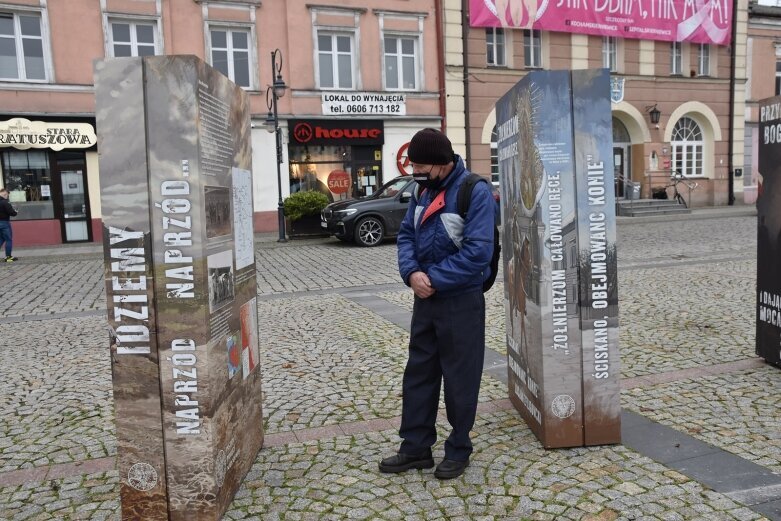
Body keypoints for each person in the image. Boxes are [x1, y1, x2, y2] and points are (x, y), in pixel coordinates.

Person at [379, 128, 495, 480]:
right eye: (412, 164)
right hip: (425, 300)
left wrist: (435, 279)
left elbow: (479, 252)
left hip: (461, 301)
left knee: (460, 379)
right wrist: (412, 274)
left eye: (421, 165)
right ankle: (415, 448)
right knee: (419, 374)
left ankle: (459, 449)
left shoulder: (474, 192)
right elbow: (406, 237)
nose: (415, 171)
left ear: (443, 163)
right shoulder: (420, 190)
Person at [0, 187, 18, 263]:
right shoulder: (5, 202)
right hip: (4, 223)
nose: (7, 197)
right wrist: (16, 211)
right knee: (8, 239)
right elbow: (12, 213)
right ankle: (8, 257)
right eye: (7, 195)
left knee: (1, 239)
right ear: (5, 193)